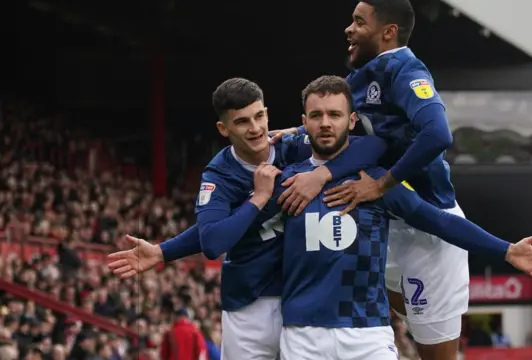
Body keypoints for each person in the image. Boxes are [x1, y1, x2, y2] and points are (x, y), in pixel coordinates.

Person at [268, 2, 532, 359]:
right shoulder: (359, 78)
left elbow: (437, 134)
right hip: (383, 225)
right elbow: (346, 122)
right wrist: (298, 131)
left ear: (388, 31)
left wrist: (382, 185)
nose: (349, 29)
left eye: (359, 22)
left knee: (434, 351)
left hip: (429, 232)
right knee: (398, 311)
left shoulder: (406, 69)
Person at [107, 78, 385, 360]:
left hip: (300, 298)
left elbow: (373, 147)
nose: (255, 129)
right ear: (223, 129)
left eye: (259, 116)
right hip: (251, 303)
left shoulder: (294, 147)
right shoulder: (219, 175)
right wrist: (258, 198)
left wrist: (319, 175)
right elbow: (213, 239)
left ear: (267, 113)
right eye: (242, 122)